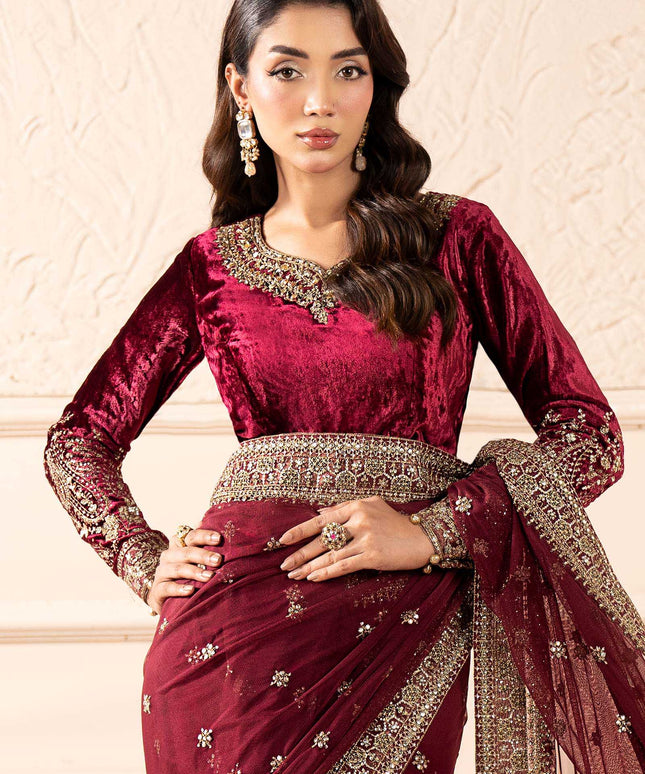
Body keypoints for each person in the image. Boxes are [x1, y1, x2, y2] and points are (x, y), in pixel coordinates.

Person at [42, 1, 645, 772]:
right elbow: (78, 440)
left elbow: (588, 435)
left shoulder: (454, 237)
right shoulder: (212, 267)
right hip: (221, 643)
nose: (319, 100)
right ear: (241, 88)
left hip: (402, 620)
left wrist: (434, 530)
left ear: (375, 85)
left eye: (347, 70)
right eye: (287, 70)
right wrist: (138, 553)